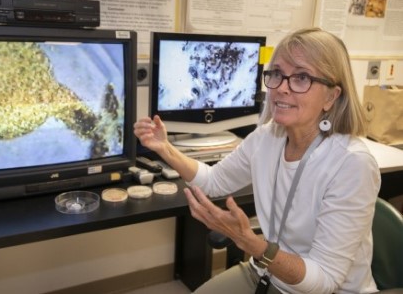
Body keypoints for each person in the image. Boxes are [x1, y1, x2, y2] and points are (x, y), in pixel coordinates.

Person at [134, 28, 381, 293]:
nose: (282, 88)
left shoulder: (351, 164)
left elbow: (325, 280)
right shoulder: (267, 137)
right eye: (276, 74)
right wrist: (165, 148)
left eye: (301, 77)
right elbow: (213, 182)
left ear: (331, 96)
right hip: (267, 272)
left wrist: (249, 242)